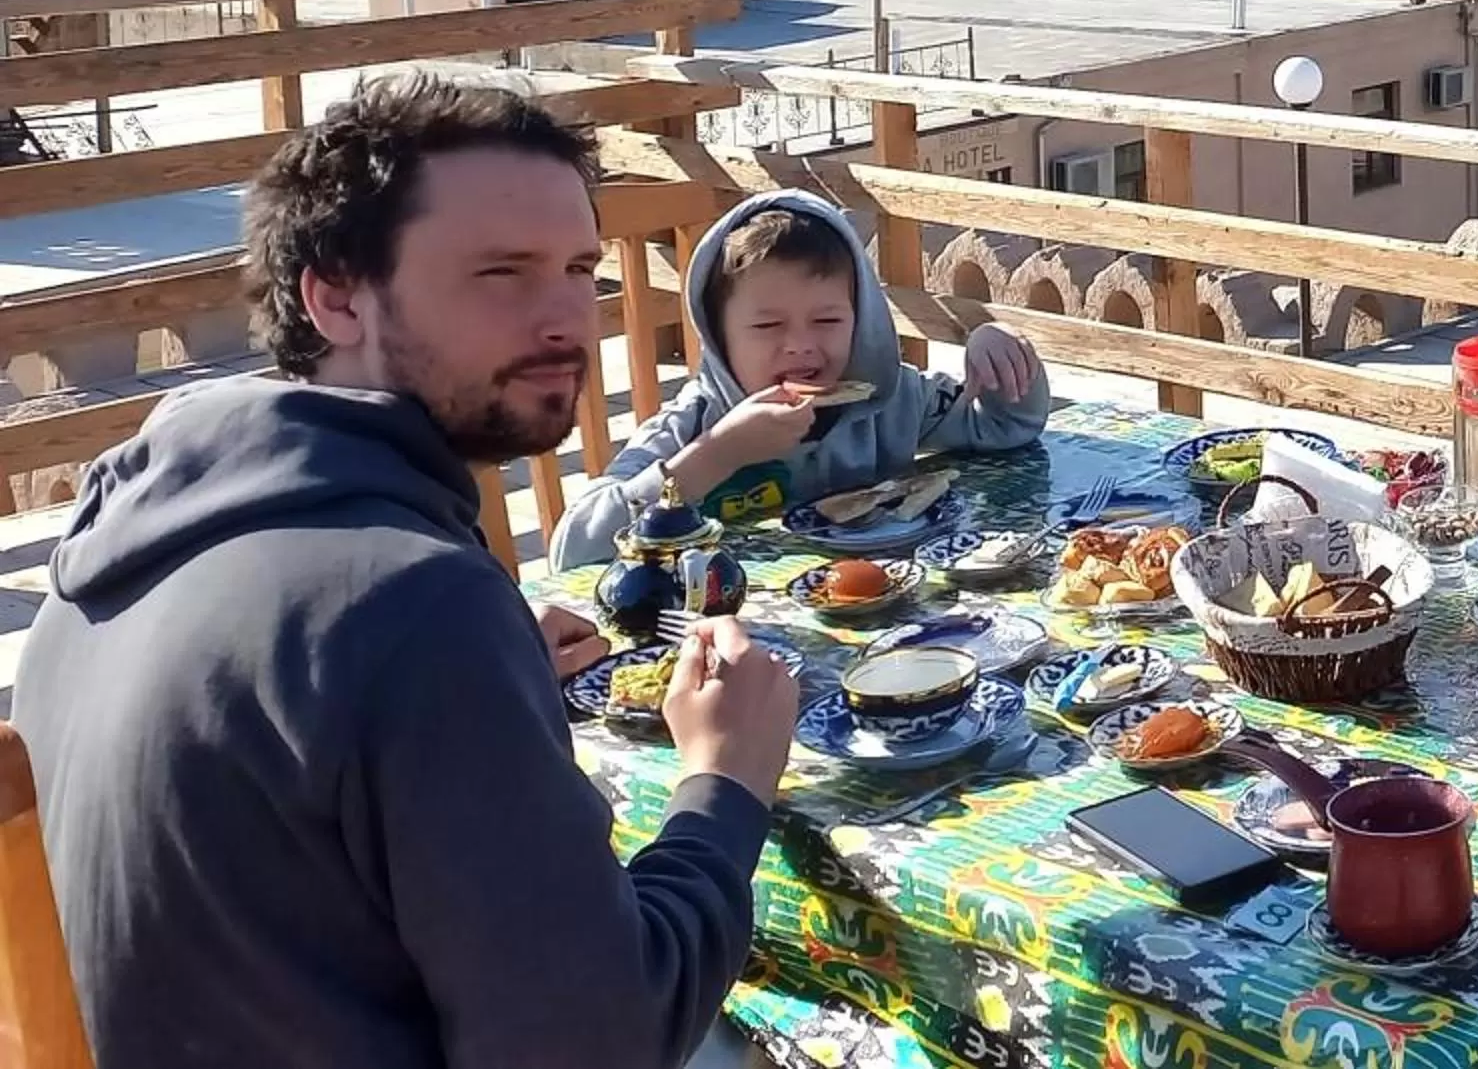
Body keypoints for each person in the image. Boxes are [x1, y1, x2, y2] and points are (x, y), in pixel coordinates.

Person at [16, 74, 802, 1069]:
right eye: (502, 272)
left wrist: (477, 680)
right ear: (336, 293)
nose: (569, 316)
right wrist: (726, 781)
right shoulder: (409, 605)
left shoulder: (130, 531)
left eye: (577, 267)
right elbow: (603, 1037)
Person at [549, 186, 1051, 570]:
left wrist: (1002, 349)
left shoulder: (891, 398)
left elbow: (1006, 427)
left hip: (889, 610)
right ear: (720, 338)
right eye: (768, 326)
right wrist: (717, 453)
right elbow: (572, 550)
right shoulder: (694, 424)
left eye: (828, 321)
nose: (800, 345)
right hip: (742, 651)